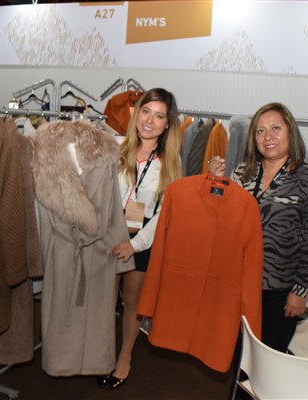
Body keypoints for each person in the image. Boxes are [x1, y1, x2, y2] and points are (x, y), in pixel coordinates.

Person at [209, 102, 308, 353]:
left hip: (279, 292)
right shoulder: (242, 172)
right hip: (239, 285)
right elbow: (222, 219)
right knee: (235, 355)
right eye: (260, 131)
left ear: (290, 132)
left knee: (267, 359)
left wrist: (300, 292)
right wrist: (216, 182)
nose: (267, 137)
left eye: (275, 128)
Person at [99, 88, 182, 388]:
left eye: (159, 116)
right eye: (146, 111)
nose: (149, 120)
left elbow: (164, 215)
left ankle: (124, 358)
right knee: (105, 301)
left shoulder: (170, 162)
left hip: (143, 238)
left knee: (132, 302)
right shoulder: (115, 147)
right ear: (136, 113)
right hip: (110, 231)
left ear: (167, 124)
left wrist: (133, 245)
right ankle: (102, 354)